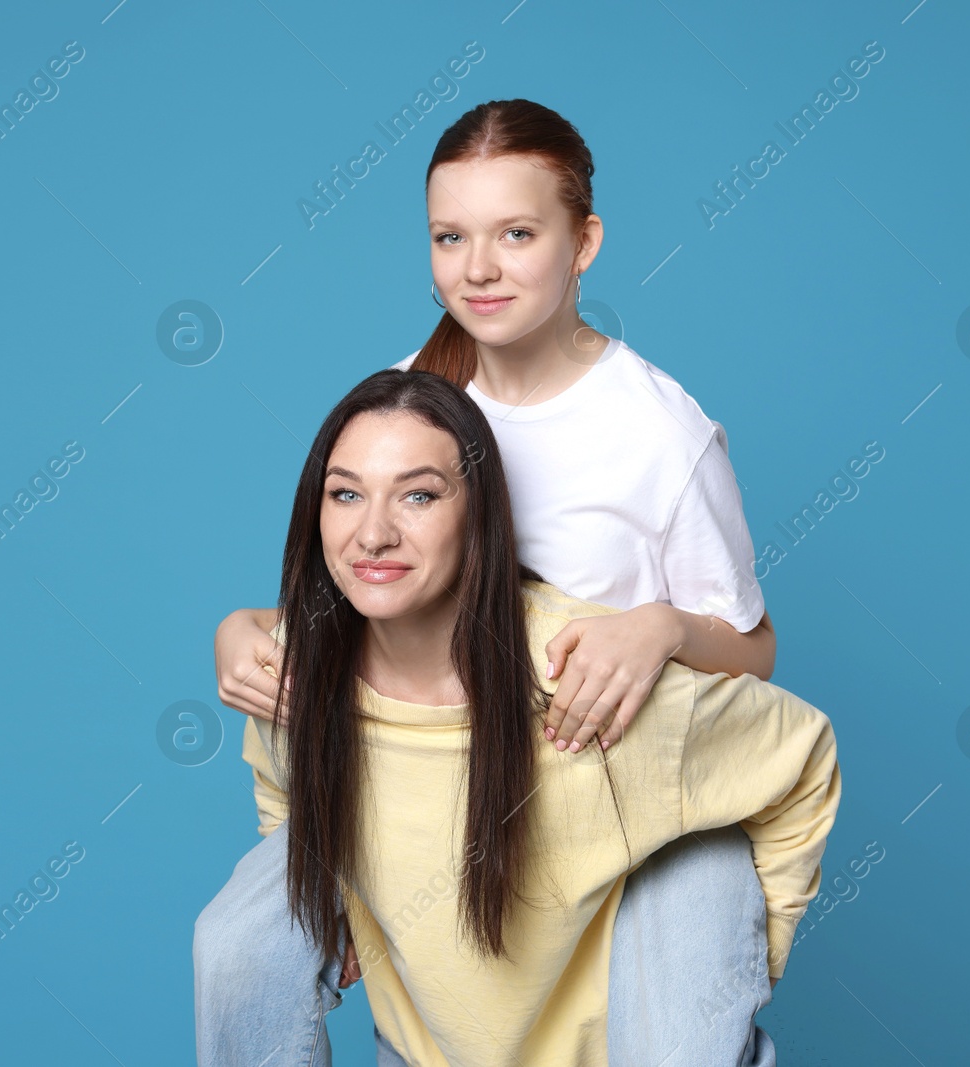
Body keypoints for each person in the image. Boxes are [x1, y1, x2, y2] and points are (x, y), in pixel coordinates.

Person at [203, 100, 780, 1064]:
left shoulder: (658, 432)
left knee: (682, 1032)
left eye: (517, 233)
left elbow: (754, 654)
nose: (478, 268)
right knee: (236, 945)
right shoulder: (408, 394)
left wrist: (663, 628)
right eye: (450, 236)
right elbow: (367, 589)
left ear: (583, 241)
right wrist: (245, 625)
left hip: (621, 781)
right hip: (427, 782)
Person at [204, 369, 839, 1066]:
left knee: (701, 880)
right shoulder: (292, 670)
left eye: (418, 494)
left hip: (614, 1046)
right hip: (431, 1048)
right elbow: (284, 787)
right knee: (233, 936)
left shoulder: (586, 683)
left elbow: (802, 754)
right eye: (345, 493)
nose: (373, 532)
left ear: (478, 513)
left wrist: (745, 967)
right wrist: (329, 904)